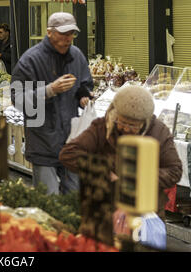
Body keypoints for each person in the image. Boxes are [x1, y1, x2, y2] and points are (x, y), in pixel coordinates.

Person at [59, 85, 182, 221]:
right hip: (107, 210)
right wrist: (103, 171)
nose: (126, 129)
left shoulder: (159, 132)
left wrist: (138, 177)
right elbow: (69, 154)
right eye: (122, 122)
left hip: (146, 213)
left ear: (145, 121)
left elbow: (174, 171)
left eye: (133, 126)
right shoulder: (102, 127)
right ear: (116, 114)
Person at [10, 12, 93, 195]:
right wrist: (50, 90)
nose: (68, 38)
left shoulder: (77, 56)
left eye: (71, 33)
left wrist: (83, 96)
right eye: (63, 34)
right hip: (43, 140)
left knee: (74, 198)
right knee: (50, 200)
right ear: (49, 32)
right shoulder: (30, 60)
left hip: (71, 140)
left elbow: (85, 83)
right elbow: (17, 98)